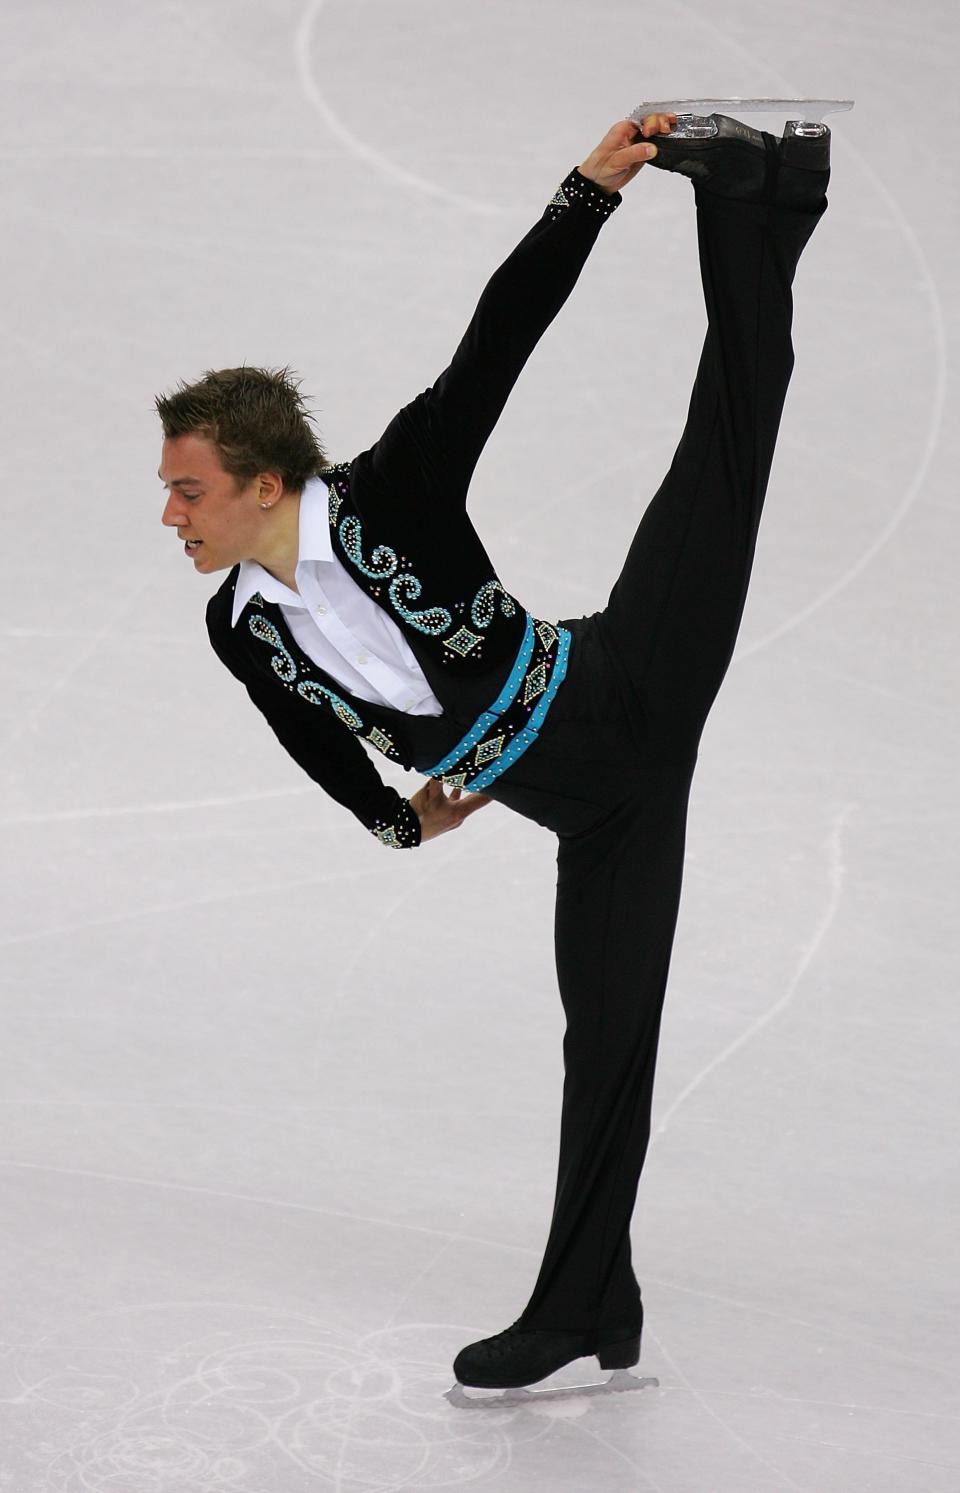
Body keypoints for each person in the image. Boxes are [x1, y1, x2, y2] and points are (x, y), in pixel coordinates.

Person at [156, 110, 830, 1391]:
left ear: (259, 481)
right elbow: (313, 743)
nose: (170, 511)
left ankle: (760, 198)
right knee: (607, 1042)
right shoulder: (238, 623)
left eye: (187, 487)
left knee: (725, 452)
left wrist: (587, 193)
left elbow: (497, 341)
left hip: (631, 683)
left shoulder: (390, 487)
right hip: (596, 812)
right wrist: (402, 819)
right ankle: (602, 1300)